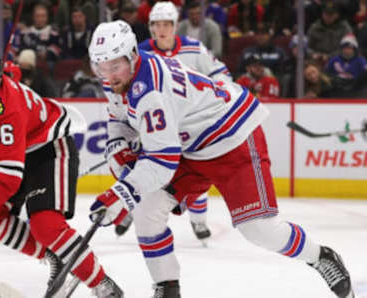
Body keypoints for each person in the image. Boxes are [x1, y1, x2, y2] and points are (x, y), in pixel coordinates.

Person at [88, 20, 355, 298]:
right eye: (101, 66)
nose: (108, 75)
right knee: (147, 211)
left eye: (114, 65)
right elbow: (118, 116)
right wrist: (117, 144)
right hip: (190, 144)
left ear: (132, 54)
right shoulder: (121, 75)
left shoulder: (150, 91)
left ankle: (320, 256)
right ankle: (167, 288)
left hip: (232, 136)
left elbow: (162, 163)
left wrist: (122, 191)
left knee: (259, 230)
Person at [0, 48, 123, 298]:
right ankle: (55, 257)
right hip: (11, 154)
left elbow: (4, 175)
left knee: (46, 224)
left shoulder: (6, 107)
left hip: (48, 147)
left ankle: (104, 286)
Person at [119, 1, 232, 242]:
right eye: (157, 24)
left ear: (174, 25)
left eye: (167, 24)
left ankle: (198, 220)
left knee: (197, 174)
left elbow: (220, 74)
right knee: (144, 169)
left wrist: (225, 93)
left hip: (191, 127)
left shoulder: (194, 49)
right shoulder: (142, 52)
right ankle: (133, 209)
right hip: (157, 126)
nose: (162, 29)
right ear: (150, 27)